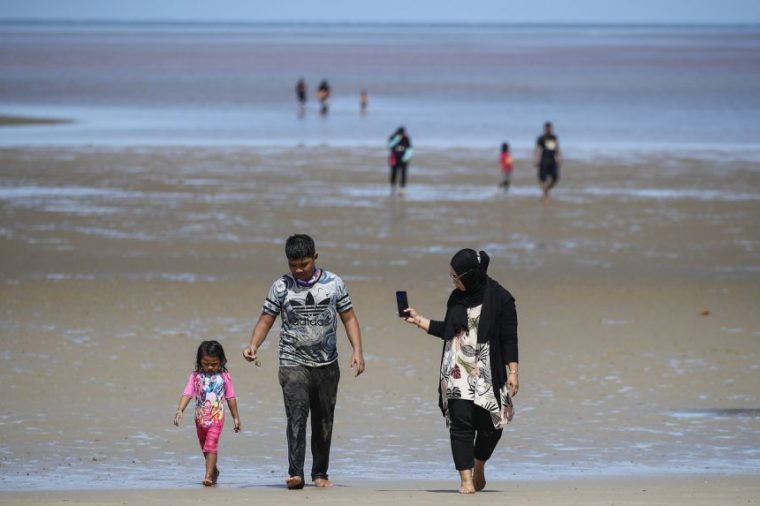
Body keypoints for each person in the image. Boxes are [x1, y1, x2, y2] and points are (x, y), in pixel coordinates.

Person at [243, 234, 365, 490]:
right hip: (292, 362)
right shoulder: (280, 287)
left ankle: (320, 473)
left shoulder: (334, 283)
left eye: (304, 264)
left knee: (324, 420)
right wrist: (254, 344)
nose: (298, 270)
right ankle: (295, 473)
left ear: (315, 258)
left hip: (327, 364)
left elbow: (349, 318)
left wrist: (357, 350)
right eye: (293, 265)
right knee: (296, 417)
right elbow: (266, 319)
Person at [401, 249, 519, 494]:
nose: (453, 281)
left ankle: (479, 465)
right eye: (451, 276)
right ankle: (465, 480)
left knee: (491, 426)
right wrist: (418, 320)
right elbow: (449, 330)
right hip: (456, 368)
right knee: (460, 423)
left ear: (471, 275)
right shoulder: (456, 297)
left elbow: (509, 339)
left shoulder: (502, 299)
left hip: (488, 367)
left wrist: (513, 372)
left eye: (456, 277)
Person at [174, 340, 241, 487]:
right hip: (200, 419)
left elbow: (231, 398)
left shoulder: (224, 377)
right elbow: (187, 394)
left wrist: (236, 417)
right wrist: (180, 410)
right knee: (205, 448)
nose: (210, 367)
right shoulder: (195, 376)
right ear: (199, 361)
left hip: (217, 418)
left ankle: (208, 476)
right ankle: (214, 470)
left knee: (211, 445)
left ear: (221, 361)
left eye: (214, 363)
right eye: (206, 363)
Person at [534, 121, 561, 201]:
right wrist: (537, 159)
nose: (549, 130)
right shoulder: (541, 138)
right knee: (543, 179)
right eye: (547, 128)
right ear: (545, 129)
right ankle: (545, 195)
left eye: (550, 128)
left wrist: (559, 158)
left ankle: (546, 190)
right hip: (544, 160)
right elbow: (538, 149)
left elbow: (556, 149)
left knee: (555, 178)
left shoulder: (554, 137)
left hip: (552, 160)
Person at [387, 126, 413, 196]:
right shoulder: (393, 137)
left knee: (403, 174)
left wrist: (406, 157)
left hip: (404, 160)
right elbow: (389, 146)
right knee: (393, 173)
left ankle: (402, 189)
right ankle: (393, 188)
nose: (400, 135)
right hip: (394, 159)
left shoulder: (406, 139)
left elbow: (409, 149)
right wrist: (396, 139)